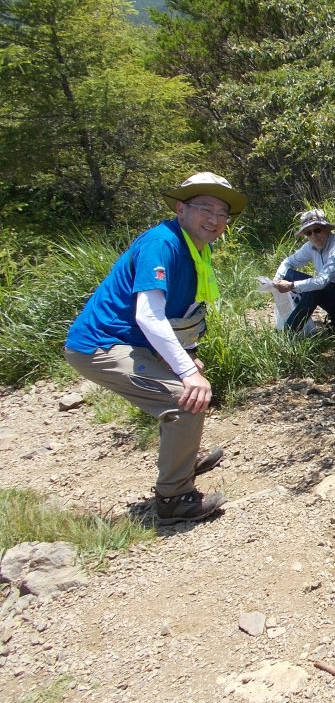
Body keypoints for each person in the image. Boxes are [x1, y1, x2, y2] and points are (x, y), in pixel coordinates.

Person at [65, 172, 247, 525]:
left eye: (222, 213)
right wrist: (187, 371)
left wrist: (188, 358)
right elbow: (148, 315)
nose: (215, 219)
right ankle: (174, 499)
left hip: (134, 342)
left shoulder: (197, 248)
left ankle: (179, 461)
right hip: (101, 345)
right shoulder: (161, 244)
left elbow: (181, 313)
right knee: (185, 398)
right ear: (181, 208)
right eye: (205, 208)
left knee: (190, 387)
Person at [272, 209, 335, 336]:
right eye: (309, 233)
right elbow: (289, 261)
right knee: (289, 274)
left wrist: (291, 285)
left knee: (314, 290)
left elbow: (322, 281)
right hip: (332, 294)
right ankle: (297, 321)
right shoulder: (311, 247)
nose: (314, 236)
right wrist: (277, 281)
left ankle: (287, 333)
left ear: (326, 229)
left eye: (317, 230)